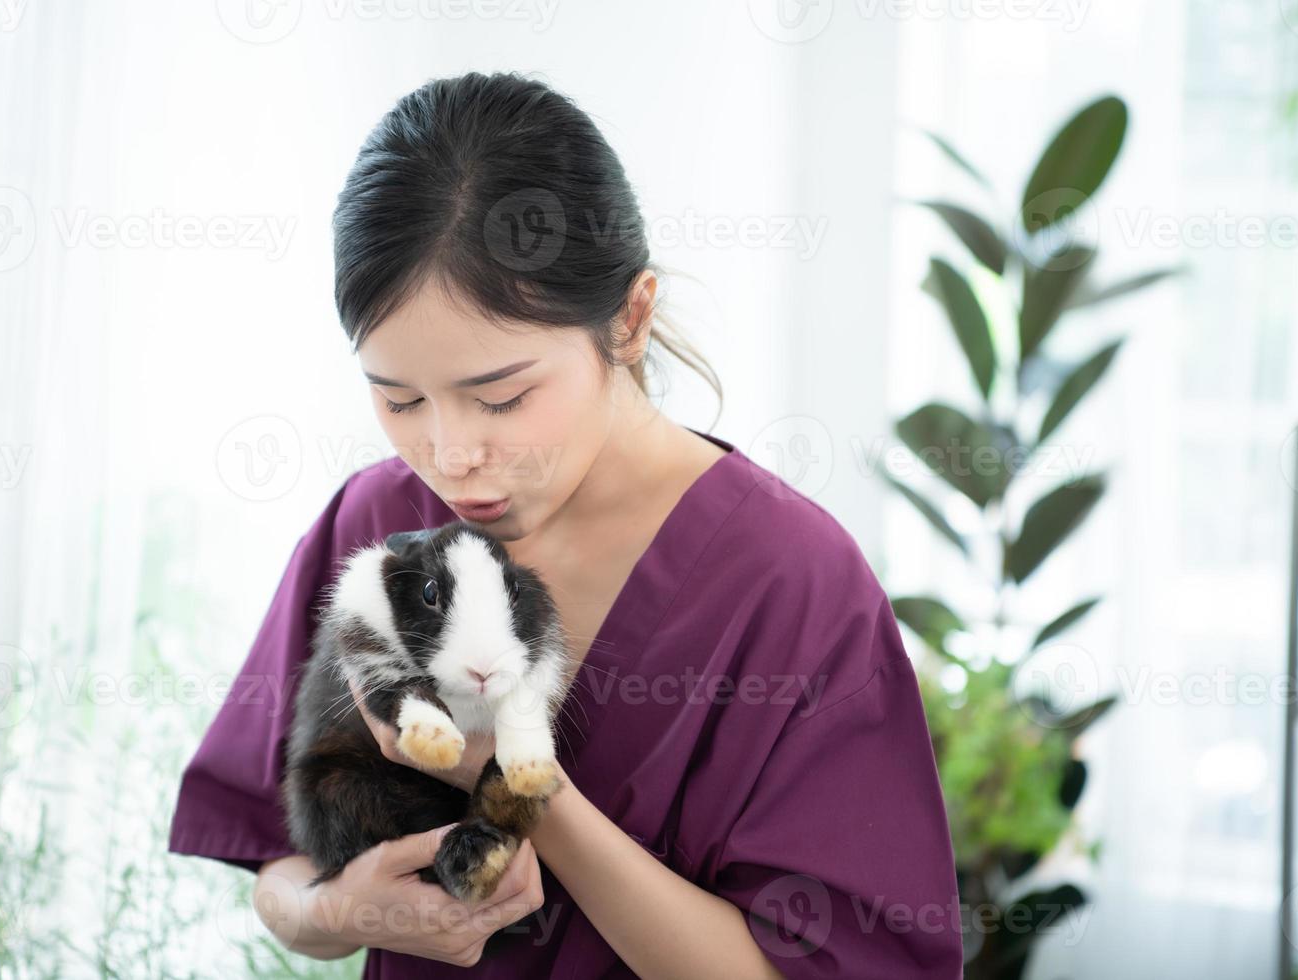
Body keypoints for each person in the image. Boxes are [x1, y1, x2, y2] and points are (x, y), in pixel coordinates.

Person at [168, 70, 963, 978]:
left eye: (500, 398)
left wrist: (515, 785)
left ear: (629, 319)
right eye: (398, 398)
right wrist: (338, 910)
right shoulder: (382, 524)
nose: (449, 452)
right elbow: (278, 870)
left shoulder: (791, 583)